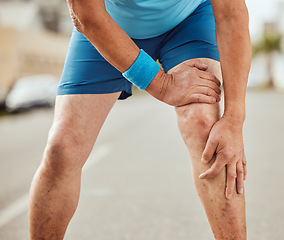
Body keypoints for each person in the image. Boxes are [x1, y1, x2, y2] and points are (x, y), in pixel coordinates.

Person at [29, 0, 251, 239]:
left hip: (188, 19)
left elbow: (231, 14)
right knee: (61, 150)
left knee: (205, 128)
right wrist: (162, 85)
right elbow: (85, 14)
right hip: (104, 22)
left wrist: (234, 119)